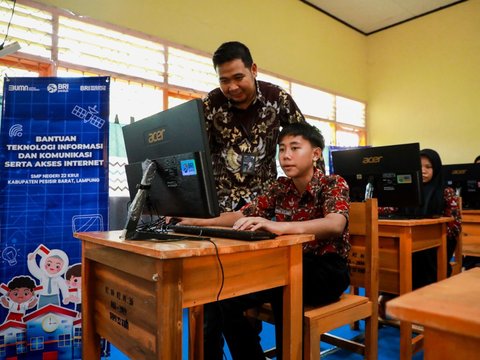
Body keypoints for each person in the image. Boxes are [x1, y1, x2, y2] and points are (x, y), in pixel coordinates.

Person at [179, 122, 351, 359]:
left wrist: (278, 226)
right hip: (286, 265)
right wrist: (195, 222)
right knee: (223, 294)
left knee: (284, 286)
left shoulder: (333, 183)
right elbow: (242, 214)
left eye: (294, 148)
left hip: (327, 269)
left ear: (315, 154)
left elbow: (335, 224)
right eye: (281, 149)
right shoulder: (279, 187)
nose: (286, 156)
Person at [203, 41, 308, 213]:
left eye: (238, 78)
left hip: (265, 204)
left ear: (253, 69)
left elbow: (306, 140)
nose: (232, 87)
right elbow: (195, 154)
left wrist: (317, 193)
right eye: (224, 80)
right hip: (220, 207)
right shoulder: (210, 104)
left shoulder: (277, 98)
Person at [379, 148, 462, 317]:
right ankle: (393, 293)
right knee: (387, 252)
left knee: (420, 256)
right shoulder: (406, 191)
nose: (423, 170)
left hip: (435, 246)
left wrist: (428, 232)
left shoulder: (445, 192)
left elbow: (455, 226)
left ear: (436, 169)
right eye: (419, 166)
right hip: (408, 240)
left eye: (428, 167)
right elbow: (390, 209)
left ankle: (414, 300)